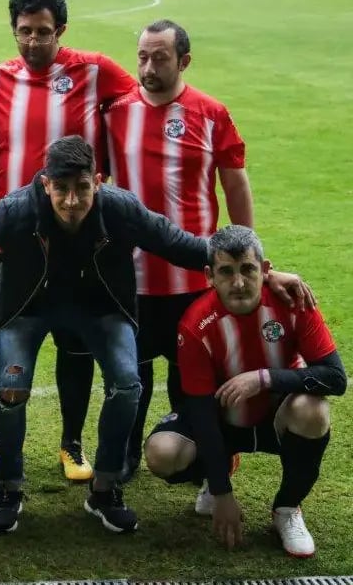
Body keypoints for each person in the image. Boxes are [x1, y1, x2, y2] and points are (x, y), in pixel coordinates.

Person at [0, 135, 308, 534]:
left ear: (99, 182)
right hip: (28, 308)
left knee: (127, 385)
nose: (72, 201)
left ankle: (105, 489)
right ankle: (8, 488)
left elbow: (177, 243)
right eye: (61, 189)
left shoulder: (121, 209)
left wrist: (258, 271)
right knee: (12, 388)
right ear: (45, 184)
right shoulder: (17, 209)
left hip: (100, 309)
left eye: (83, 188)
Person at [0, 0, 138, 478]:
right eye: (23, 32)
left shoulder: (95, 71)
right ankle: (3, 437)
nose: (33, 42)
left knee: (75, 343)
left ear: (61, 30)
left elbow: (142, 104)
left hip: (77, 239)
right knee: (9, 339)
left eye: (43, 32)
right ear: (12, 30)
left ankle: (71, 443)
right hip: (10, 237)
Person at [104, 19, 254, 479]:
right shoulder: (115, 114)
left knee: (189, 372)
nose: (148, 67)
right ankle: (127, 452)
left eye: (160, 57)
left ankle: (194, 448)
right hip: (130, 275)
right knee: (131, 373)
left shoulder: (211, 113)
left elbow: (234, 183)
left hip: (194, 274)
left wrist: (243, 256)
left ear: (184, 60)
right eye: (143, 57)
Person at [144, 225, 344, 557]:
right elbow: (201, 410)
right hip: (222, 421)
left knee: (314, 411)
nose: (238, 283)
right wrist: (222, 493)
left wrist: (264, 379)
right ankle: (216, 472)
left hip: (276, 416)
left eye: (248, 269)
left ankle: (287, 510)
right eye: (226, 272)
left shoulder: (293, 302)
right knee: (161, 452)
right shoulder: (196, 325)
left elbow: (335, 378)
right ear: (209, 276)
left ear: (265, 271)